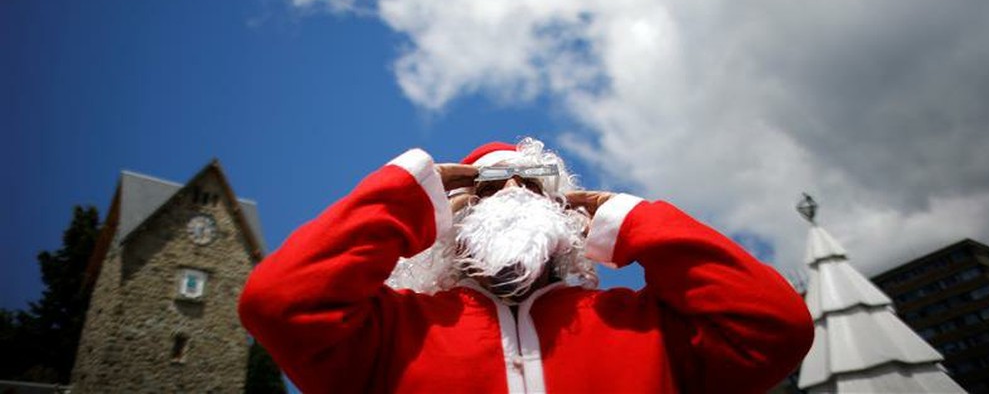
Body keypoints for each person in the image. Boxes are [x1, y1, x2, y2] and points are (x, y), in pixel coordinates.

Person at [239, 138, 813, 393]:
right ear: (446, 217)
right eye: (486, 183)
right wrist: (409, 194)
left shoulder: (646, 328)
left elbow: (776, 327)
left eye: (534, 182)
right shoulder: (389, 334)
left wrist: (629, 218)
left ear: (568, 211)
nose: (511, 186)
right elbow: (278, 301)